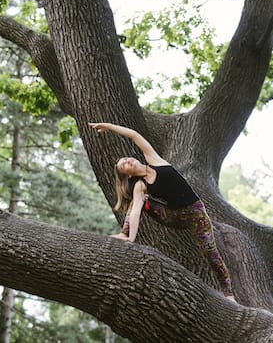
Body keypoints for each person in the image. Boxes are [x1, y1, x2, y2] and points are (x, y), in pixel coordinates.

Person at [88, 122, 235, 300]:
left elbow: (133, 134)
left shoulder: (154, 160)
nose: (127, 161)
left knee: (209, 252)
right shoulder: (140, 186)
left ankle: (228, 293)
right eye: (124, 165)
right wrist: (130, 238)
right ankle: (124, 233)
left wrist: (108, 126)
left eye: (126, 159)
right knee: (139, 202)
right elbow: (135, 212)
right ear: (128, 175)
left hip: (196, 213)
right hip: (173, 216)